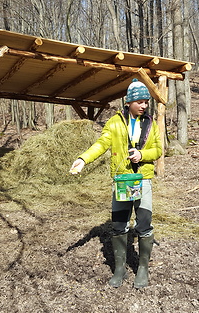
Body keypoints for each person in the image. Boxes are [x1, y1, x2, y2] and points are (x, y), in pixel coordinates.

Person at [70, 79, 162, 289]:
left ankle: (142, 268)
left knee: (144, 224)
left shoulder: (151, 124)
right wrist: (83, 159)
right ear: (128, 102)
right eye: (139, 101)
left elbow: (158, 150)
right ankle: (119, 269)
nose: (144, 105)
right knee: (119, 225)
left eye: (146, 102)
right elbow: (101, 144)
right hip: (121, 182)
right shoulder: (114, 123)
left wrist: (142, 154)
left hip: (143, 180)